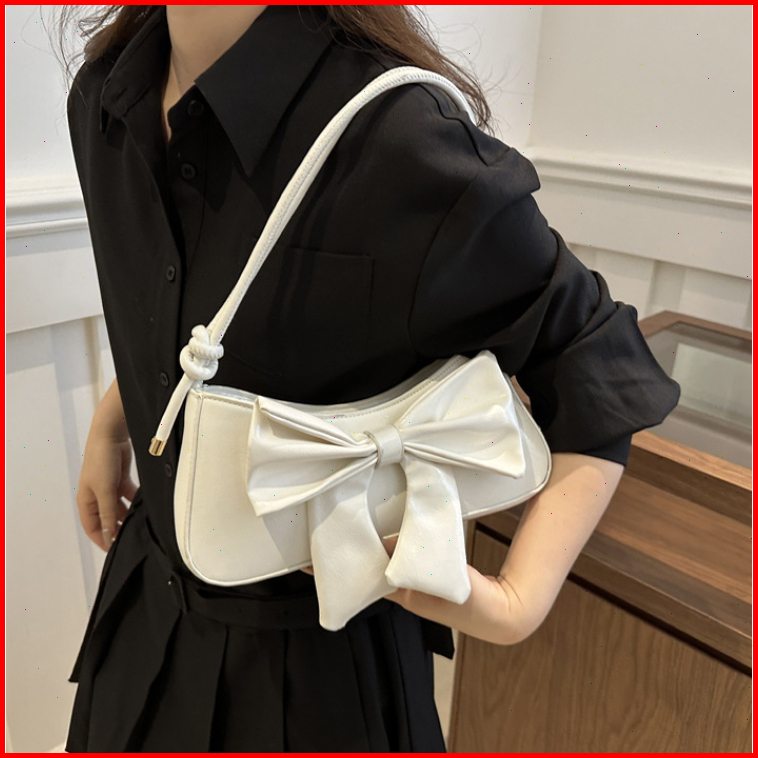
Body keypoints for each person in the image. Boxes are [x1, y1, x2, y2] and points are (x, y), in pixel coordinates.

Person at [55, 4, 680, 752]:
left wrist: (518, 602)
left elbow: (593, 354)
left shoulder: (395, 140)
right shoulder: (105, 98)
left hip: (310, 673)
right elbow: (202, 298)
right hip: (140, 623)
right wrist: (117, 416)